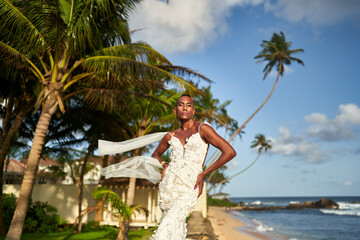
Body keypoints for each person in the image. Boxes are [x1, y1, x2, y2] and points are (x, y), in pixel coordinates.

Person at [149, 94, 237, 240]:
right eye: (181, 104)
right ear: (175, 110)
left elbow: (229, 152)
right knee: (174, 229)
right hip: (169, 187)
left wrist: (203, 174)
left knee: (166, 229)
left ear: (193, 111)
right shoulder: (170, 136)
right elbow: (155, 155)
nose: (184, 107)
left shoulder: (203, 129)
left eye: (189, 105)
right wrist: (165, 164)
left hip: (190, 186)